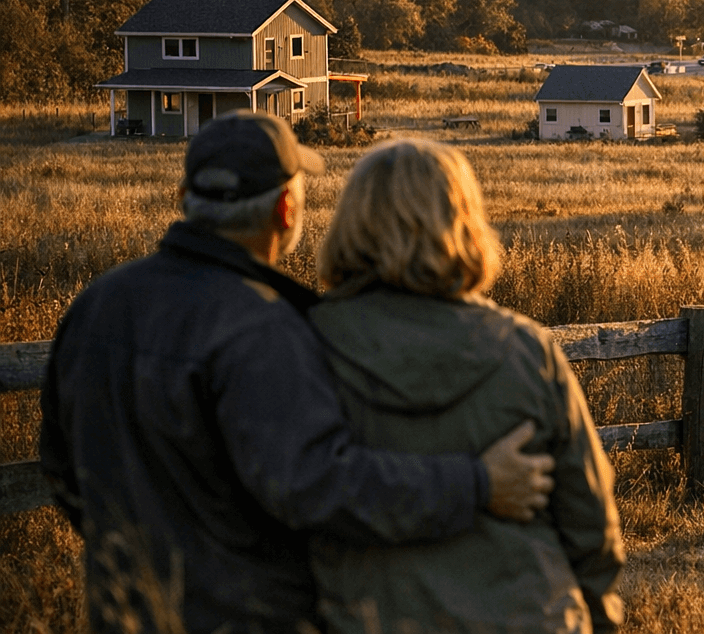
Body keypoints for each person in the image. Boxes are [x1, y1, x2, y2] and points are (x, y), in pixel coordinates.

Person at [40, 111, 556, 634]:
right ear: (286, 208)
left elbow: (62, 466)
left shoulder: (96, 306)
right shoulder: (262, 329)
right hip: (248, 617)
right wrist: (476, 484)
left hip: (122, 612)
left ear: (184, 198)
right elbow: (317, 486)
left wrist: (133, 559)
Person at [309, 139, 625, 634]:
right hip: (528, 614)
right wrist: (594, 614)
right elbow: (590, 519)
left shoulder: (305, 347)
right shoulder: (527, 351)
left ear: (351, 225)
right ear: (464, 224)